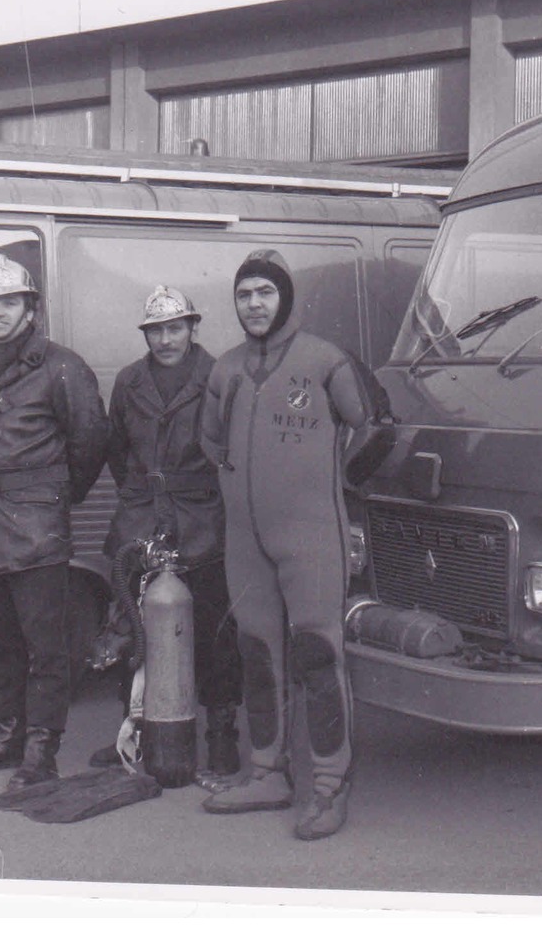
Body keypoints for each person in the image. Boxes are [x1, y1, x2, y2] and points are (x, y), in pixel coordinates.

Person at [199, 249, 372, 840]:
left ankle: (328, 785)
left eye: (265, 293)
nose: (254, 304)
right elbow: (210, 439)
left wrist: (336, 482)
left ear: (285, 298)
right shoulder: (224, 370)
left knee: (318, 654)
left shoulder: (325, 360)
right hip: (245, 540)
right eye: (244, 294)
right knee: (257, 651)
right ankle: (269, 773)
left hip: (311, 536)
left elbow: (374, 427)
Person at [0, 254, 109, 791]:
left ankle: (42, 749)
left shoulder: (62, 367)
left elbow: (89, 443)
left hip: (36, 526)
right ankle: (7, 735)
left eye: (8, 302)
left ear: (30, 308)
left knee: (46, 646)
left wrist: (52, 497)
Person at [87, 286, 242, 777]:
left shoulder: (218, 374)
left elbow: (232, 450)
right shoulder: (130, 380)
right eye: (155, 330)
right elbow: (117, 449)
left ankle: (220, 737)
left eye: (175, 328)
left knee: (216, 632)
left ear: (193, 329)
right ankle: (135, 733)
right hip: (143, 516)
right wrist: (144, 495)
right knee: (134, 626)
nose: (165, 339)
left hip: (203, 519)